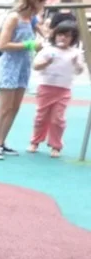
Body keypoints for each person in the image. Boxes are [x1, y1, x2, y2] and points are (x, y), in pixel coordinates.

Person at [0, 0, 48, 160]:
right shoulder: (14, 18)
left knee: (15, 107)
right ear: (34, 0)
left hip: (24, 65)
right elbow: (2, 45)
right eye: (42, 3)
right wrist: (28, 45)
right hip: (10, 65)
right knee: (4, 107)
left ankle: (2, 142)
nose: (43, 6)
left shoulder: (32, 19)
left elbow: (43, 34)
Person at [29, 20, 83, 158]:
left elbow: (79, 71)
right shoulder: (48, 50)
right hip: (45, 87)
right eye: (60, 34)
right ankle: (35, 141)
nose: (63, 38)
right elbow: (36, 66)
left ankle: (56, 145)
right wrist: (46, 62)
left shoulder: (75, 53)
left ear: (73, 38)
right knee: (41, 117)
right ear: (55, 35)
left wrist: (77, 64)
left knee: (58, 119)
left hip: (63, 89)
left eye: (67, 36)